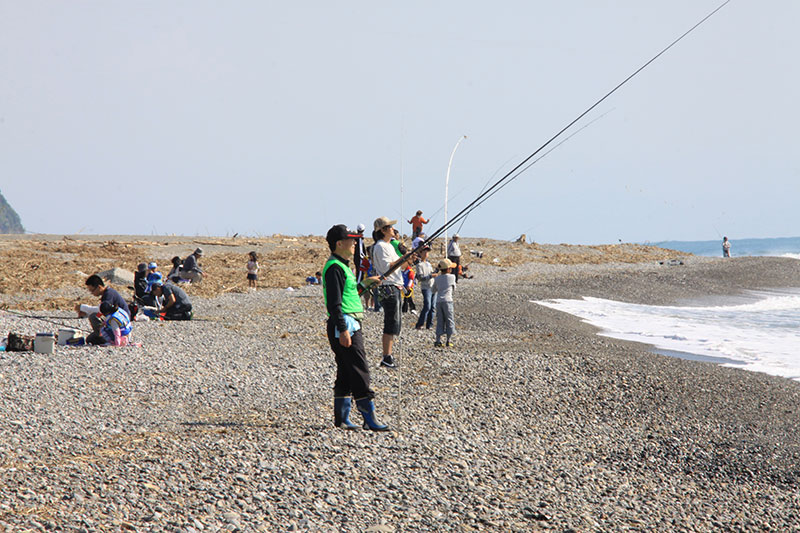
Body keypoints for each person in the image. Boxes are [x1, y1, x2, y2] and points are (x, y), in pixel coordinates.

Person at [322, 224, 388, 431]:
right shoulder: (334, 268)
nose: (355, 243)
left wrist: (366, 283)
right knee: (360, 370)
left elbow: (349, 294)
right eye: (351, 240)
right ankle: (369, 418)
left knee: (345, 370)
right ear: (339, 243)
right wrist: (343, 330)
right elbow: (334, 303)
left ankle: (342, 419)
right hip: (345, 324)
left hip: (346, 323)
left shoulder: (341, 265)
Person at [372, 216, 414, 369]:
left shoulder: (389, 246)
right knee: (391, 322)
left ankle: (388, 356)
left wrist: (408, 260)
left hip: (395, 286)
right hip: (388, 287)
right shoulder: (380, 246)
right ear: (383, 230)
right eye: (389, 227)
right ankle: (386, 357)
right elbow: (386, 268)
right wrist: (403, 258)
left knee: (395, 322)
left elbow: (401, 267)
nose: (393, 229)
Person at [75, 274, 131, 345]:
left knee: (93, 318)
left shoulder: (108, 295)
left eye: (92, 290)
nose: (92, 293)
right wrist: (85, 314)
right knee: (90, 339)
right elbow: (102, 312)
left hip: (120, 324)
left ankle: (106, 337)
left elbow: (101, 309)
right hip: (121, 323)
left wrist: (82, 307)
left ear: (99, 287)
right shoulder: (108, 293)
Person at [432, 258, 457, 347]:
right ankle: (448, 340)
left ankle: (438, 340)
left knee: (440, 320)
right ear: (449, 269)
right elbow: (454, 288)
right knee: (449, 320)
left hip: (439, 301)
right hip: (448, 300)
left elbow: (433, 290)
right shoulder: (452, 277)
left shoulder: (437, 278)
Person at [414, 246, 437, 330]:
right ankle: (419, 324)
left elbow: (431, 274)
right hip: (426, 288)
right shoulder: (419, 265)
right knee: (427, 306)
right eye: (425, 251)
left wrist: (435, 272)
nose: (426, 253)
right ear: (420, 253)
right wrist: (431, 275)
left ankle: (429, 325)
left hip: (433, 287)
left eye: (427, 252)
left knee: (433, 307)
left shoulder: (429, 264)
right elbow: (420, 278)